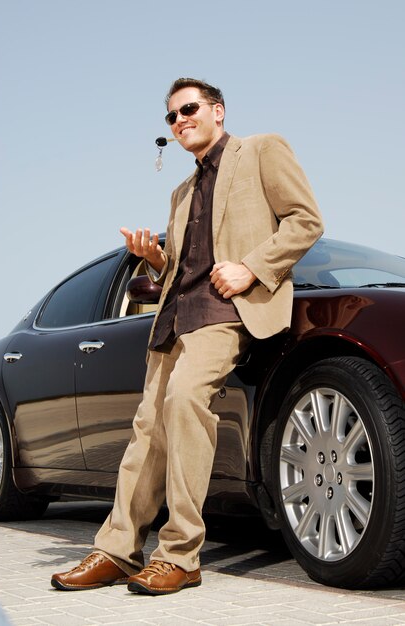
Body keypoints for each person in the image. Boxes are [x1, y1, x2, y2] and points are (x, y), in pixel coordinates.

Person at [51, 77, 324, 595]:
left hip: (226, 312)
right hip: (174, 317)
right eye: (171, 117)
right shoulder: (180, 193)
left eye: (189, 109)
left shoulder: (261, 150)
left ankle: (180, 554)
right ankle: (116, 550)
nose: (180, 121)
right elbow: (182, 266)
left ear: (218, 111)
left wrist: (250, 267)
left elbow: (305, 220)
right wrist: (155, 258)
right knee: (145, 430)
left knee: (183, 400)